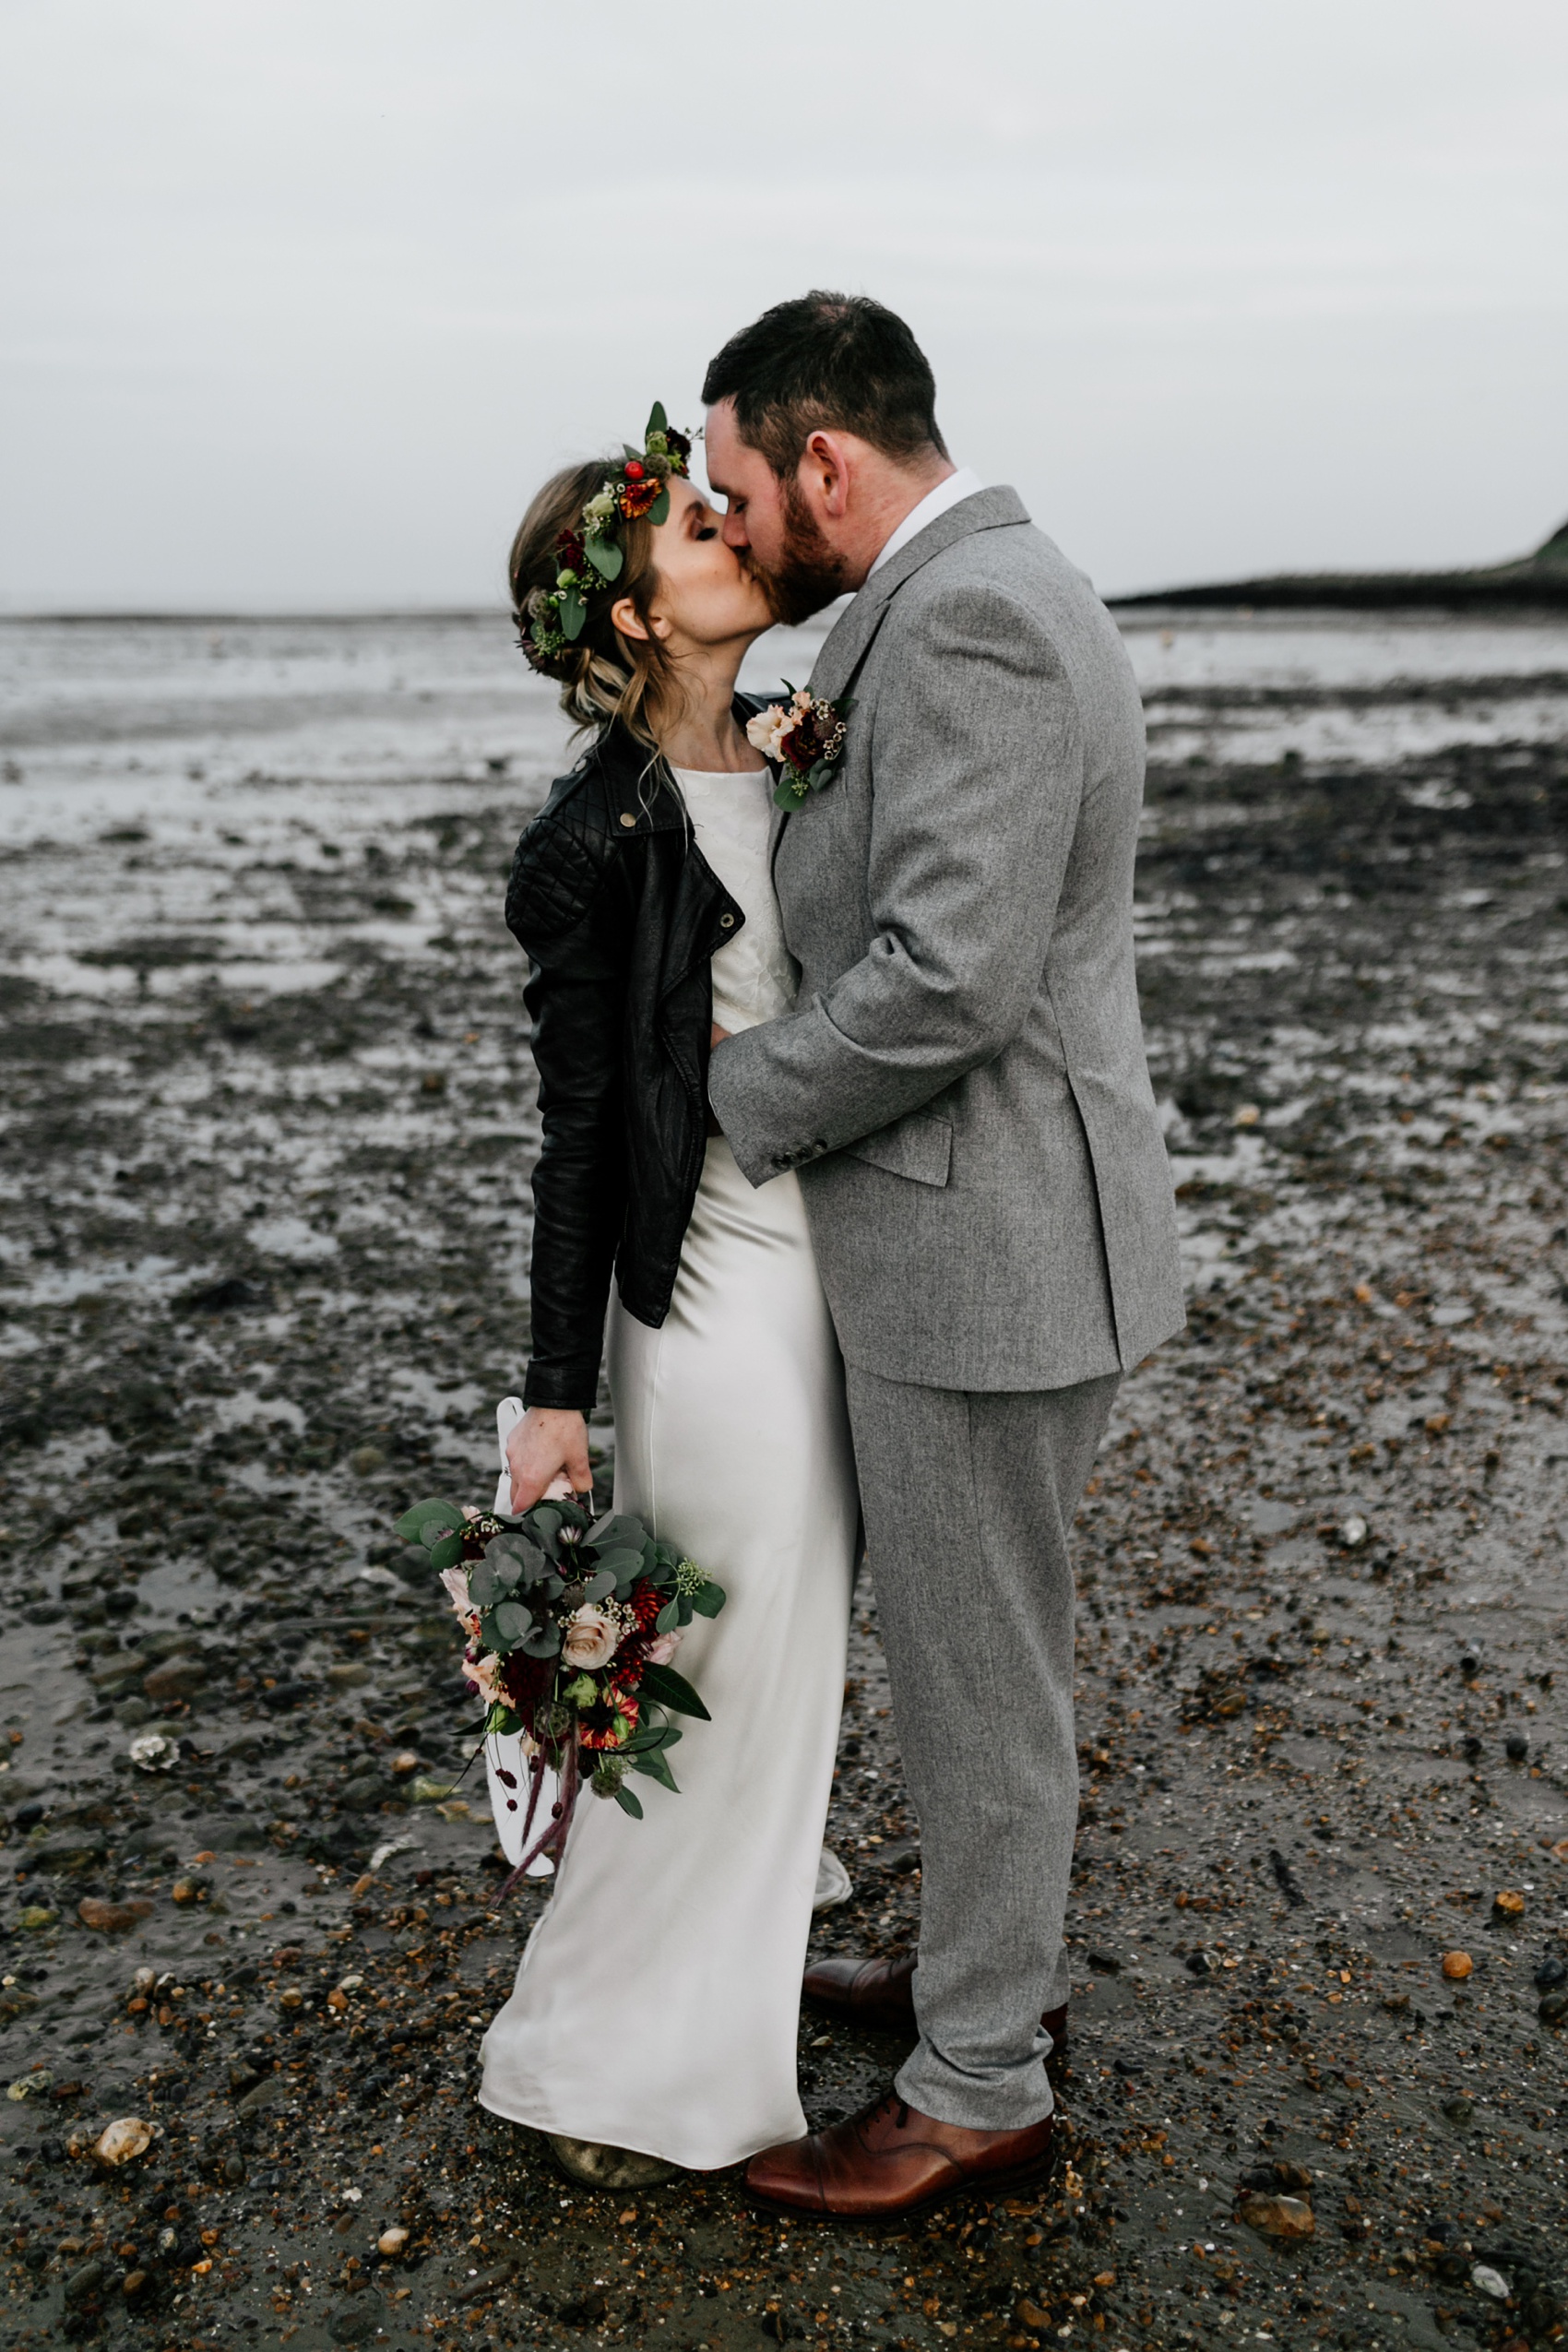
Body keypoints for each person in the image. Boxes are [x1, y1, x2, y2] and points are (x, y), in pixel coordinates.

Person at [699, 292, 1186, 2218]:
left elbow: (946, 982)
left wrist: (725, 1095)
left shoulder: (973, 613)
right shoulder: (954, 595)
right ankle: (988, 1975)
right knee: (976, 1653)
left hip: (988, 1243)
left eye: (739, 491)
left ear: (828, 461)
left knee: (984, 1677)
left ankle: (982, 2085)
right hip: (986, 1231)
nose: (734, 530)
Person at [479, 412, 860, 2188]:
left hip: (823, 1269)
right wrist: (555, 1393)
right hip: (702, 1296)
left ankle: (730, 2000)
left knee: (782, 1661)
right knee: (707, 1659)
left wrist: (808, 760)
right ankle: (597, 2067)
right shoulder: (589, 845)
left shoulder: (789, 756)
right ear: (635, 621)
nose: (731, 533)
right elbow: (574, 1141)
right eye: (697, 532)